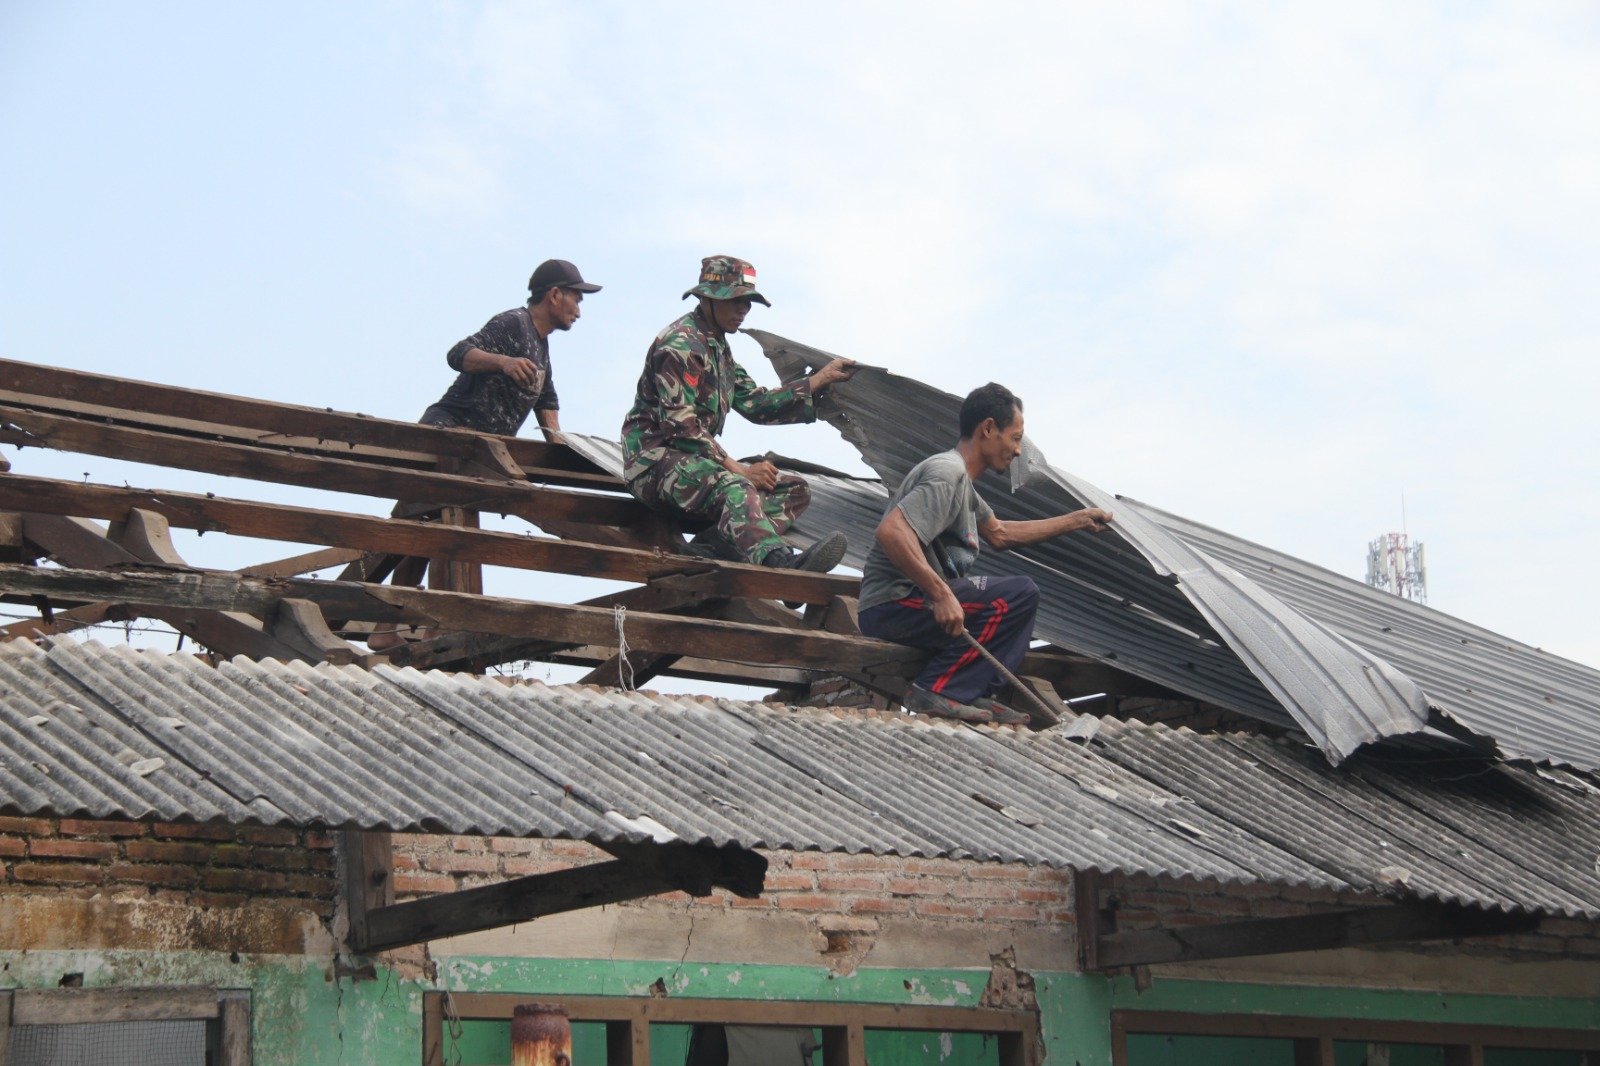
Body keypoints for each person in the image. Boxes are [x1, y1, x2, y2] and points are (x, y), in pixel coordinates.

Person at [369, 259, 601, 651]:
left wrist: (567, 455)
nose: (579, 309)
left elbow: (548, 407)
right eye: (576, 298)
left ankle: (390, 626)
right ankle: (428, 625)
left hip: (476, 456)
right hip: (447, 435)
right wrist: (503, 362)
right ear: (554, 294)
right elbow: (458, 353)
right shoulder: (513, 324)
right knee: (434, 529)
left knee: (424, 534)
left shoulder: (541, 349)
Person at [857, 383, 1114, 723]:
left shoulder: (963, 485)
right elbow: (891, 533)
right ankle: (939, 689)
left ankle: (971, 691)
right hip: (893, 604)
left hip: (911, 603)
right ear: (988, 429)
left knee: (1020, 599)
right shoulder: (946, 473)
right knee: (1017, 596)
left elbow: (1000, 533)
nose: (1018, 450)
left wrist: (1077, 520)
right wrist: (941, 594)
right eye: (1015, 437)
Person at [621, 255, 856, 571]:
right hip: (655, 465)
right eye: (735, 301)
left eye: (748, 303)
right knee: (738, 486)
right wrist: (738, 469)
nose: (743, 310)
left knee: (792, 491)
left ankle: (714, 547)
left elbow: (757, 405)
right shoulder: (681, 344)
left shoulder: (718, 349)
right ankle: (780, 565)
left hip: (696, 466)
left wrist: (818, 380)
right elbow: (681, 425)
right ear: (708, 299)